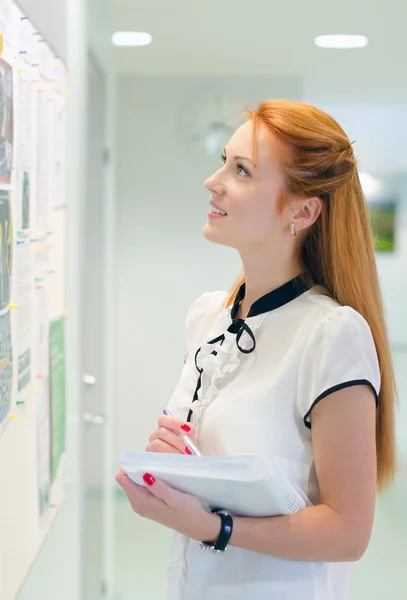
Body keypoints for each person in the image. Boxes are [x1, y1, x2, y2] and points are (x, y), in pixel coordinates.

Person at [116, 100, 396, 600]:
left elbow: (349, 532)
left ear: (303, 211)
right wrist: (182, 464)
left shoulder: (331, 334)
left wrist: (214, 527)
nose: (213, 180)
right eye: (224, 160)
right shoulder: (208, 317)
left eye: (241, 170)